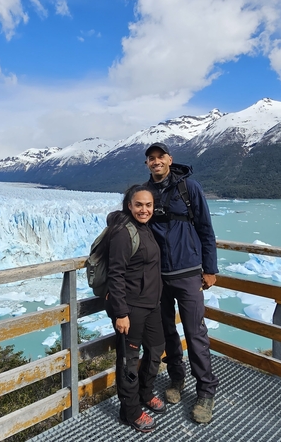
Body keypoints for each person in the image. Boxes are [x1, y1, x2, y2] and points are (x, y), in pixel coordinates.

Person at [143, 142, 219, 424]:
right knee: (166, 332)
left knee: (195, 332)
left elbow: (205, 229)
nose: (156, 161)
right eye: (151, 158)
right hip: (157, 275)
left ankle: (206, 391)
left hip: (187, 272)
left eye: (160, 157)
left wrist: (209, 268)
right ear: (147, 164)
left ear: (169, 160)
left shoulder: (189, 188)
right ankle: (176, 378)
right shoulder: (145, 193)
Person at [104, 184, 166, 433]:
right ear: (129, 206)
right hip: (131, 308)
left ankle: (145, 392)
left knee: (156, 349)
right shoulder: (123, 233)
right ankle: (129, 411)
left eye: (148, 205)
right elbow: (115, 274)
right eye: (138, 204)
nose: (144, 209)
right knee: (129, 360)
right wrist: (121, 312)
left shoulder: (145, 228)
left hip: (151, 305)